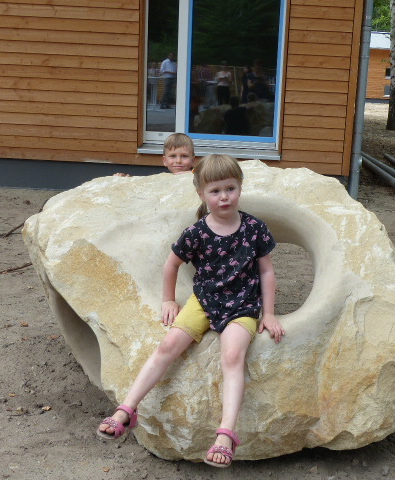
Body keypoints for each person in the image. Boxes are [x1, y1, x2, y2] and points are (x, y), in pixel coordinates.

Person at [98, 154, 285, 468]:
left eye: (230, 188)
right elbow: (171, 265)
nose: (223, 196)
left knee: (232, 355)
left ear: (240, 188)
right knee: (168, 345)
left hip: (242, 305)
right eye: (215, 191)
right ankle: (127, 409)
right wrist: (169, 300)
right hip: (204, 301)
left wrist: (268, 313)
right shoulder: (196, 233)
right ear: (201, 194)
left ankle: (226, 433)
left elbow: (266, 272)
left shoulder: (254, 228)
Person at [114, 133, 194, 177]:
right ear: (165, 161)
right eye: (173, 156)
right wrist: (127, 180)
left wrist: (191, 173)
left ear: (193, 160)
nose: (178, 161)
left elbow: (204, 174)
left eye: (184, 156)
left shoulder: (198, 177)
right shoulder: (162, 179)